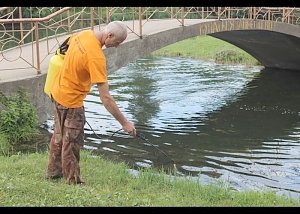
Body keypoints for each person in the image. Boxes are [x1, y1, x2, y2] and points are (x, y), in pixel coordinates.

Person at [46, 21, 136, 185]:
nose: (116, 47)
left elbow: (63, 49)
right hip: (72, 102)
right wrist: (125, 123)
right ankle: (73, 181)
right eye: (117, 43)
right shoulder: (96, 57)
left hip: (57, 90)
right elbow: (105, 98)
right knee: (71, 142)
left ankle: (53, 172)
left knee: (58, 135)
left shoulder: (83, 34)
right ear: (109, 35)